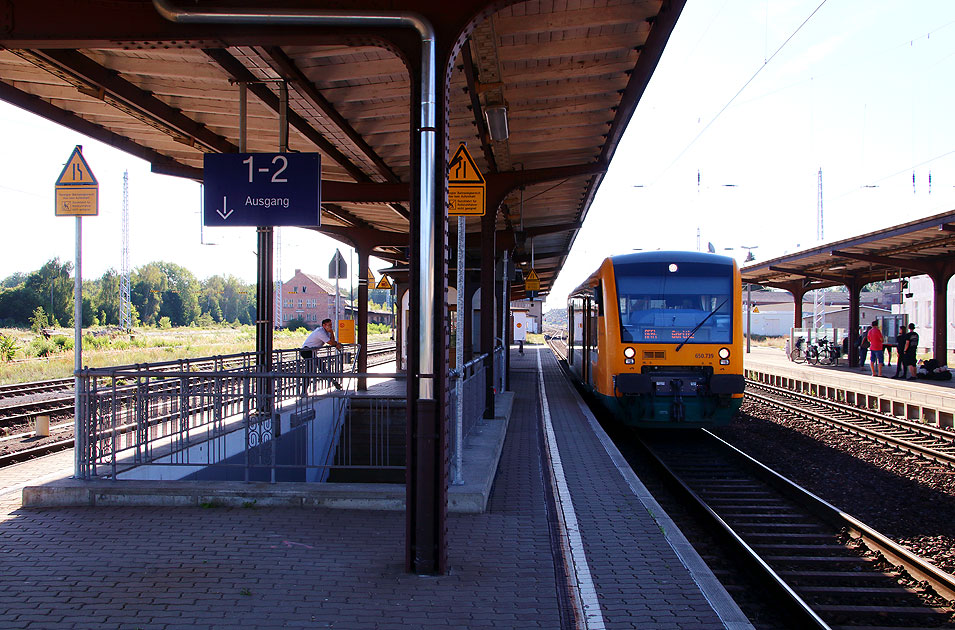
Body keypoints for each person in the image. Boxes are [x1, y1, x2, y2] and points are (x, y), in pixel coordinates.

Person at [300, 318, 344, 391]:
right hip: (306, 351)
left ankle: (333, 382)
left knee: (320, 367)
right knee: (310, 370)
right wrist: (336, 344)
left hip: (311, 352)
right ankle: (303, 391)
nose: (330, 327)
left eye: (331, 325)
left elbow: (332, 341)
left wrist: (332, 333)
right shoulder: (320, 332)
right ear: (324, 325)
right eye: (329, 325)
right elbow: (331, 343)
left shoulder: (327, 332)